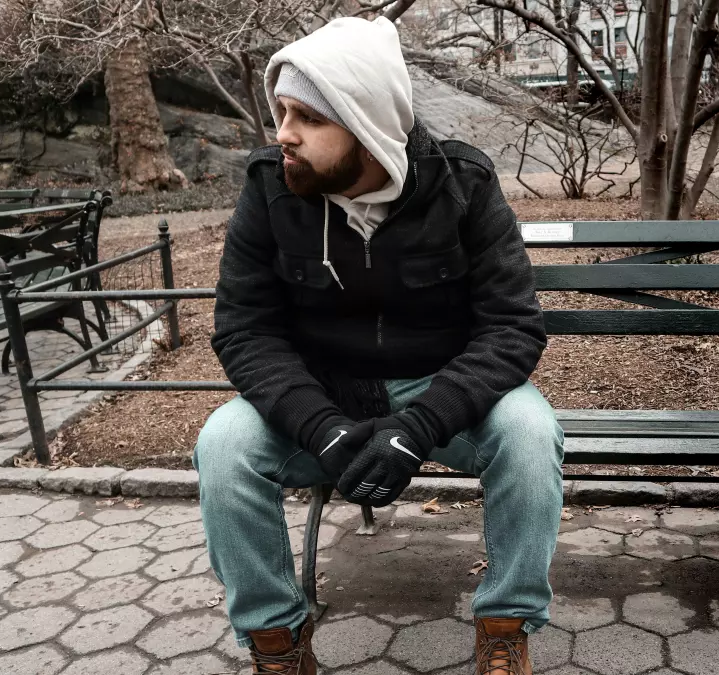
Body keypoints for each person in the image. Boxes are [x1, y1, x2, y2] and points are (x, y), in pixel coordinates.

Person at [192, 15, 564, 675]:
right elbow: (245, 329)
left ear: (364, 124)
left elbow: (512, 327)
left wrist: (418, 426)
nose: (283, 133)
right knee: (224, 444)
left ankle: (504, 627)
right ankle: (278, 644)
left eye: (306, 117)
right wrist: (323, 426)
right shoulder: (269, 190)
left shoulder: (463, 187)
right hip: (319, 394)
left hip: (441, 394)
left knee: (531, 431)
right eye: (281, 111)